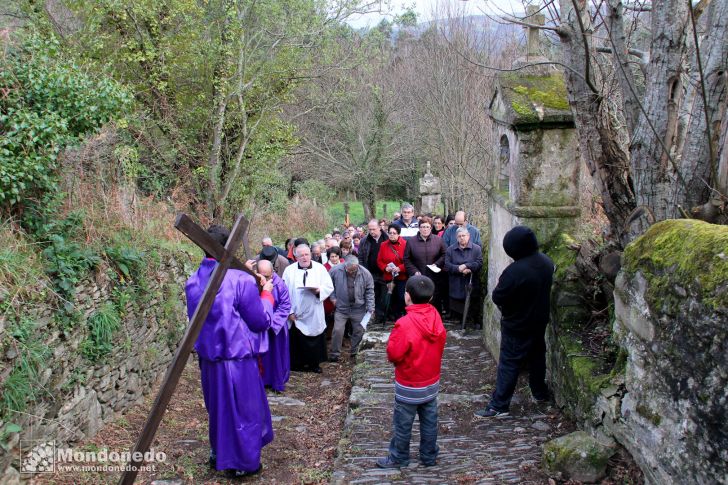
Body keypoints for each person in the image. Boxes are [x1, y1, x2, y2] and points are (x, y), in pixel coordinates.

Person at [186, 225, 276, 478]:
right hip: (237, 359)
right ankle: (244, 463)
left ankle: (219, 454)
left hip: (209, 360)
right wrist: (267, 297)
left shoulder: (193, 281)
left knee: (219, 409)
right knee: (245, 411)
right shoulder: (240, 279)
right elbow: (259, 321)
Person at [474, 226, 554, 418]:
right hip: (539, 319)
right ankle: (539, 392)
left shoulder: (515, 271)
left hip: (517, 323)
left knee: (509, 363)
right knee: (537, 357)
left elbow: (498, 296)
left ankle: (499, 405)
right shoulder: (546, 262)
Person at [376, 275, 447, 469]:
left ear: (407, 296)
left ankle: (399, 456)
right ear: (431, 297)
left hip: (409, 382)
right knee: (430, 421)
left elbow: (394, 353)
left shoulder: (405, 324)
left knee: (403, 424)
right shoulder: (435, 316)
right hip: (431, 381)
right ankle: (429, 455)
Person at [282, 244, 334, 373]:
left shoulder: (320, 269)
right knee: (297, 339)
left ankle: (314, 364)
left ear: (310, 255)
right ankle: (298, 364)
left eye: (306, 254)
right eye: (301, 255)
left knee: (314, 337)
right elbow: (284, 292)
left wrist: (318, 291)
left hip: (314, 310)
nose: (304, 258)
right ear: (296, 256)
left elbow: (328, 286)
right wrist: (289, 312)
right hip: (296, 312)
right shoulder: (289, 271)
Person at [254, 259, 292, 392]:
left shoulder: (280, 284)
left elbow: (285, 305)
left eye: (268, 276)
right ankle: (261, 382)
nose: (265, 279)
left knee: (277, 356)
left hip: (276, 328)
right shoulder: (253, 282)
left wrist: (271, 322)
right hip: (260, 325)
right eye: (262, 275)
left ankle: (277, 382)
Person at [328, 256, 375, 362]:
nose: (351, 272)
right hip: (341, 307)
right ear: (345, 265)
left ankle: (355, 352)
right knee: (337, 330)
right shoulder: (335, 270)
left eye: (353, 270)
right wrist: (333, 297)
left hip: (358, 307)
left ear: (357, 266)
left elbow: (370, 290)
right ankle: (335, 354)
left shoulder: (365, 273)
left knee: (359, 330)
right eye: (349, 270)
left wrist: (371, 306)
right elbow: (328, 285)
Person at [402, 217, 446, 312]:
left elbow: (444, 254)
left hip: (434, 276)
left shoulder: (438, 240)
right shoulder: (411, 241)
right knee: (418, 301)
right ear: (419, 228)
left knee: (434, 301)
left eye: (427, 227)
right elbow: (406, 259)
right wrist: (414, 271)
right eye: (422, 227)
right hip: (418, 277)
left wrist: (437, 264)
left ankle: (434, 321)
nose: (425, 229)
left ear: (431, 228)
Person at [444, 227, 483, 327]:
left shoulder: (476, 249)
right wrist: (458, 269)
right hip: (456, 281)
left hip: (471, 280)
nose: (462, 238)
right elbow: (447, 265)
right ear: (456, 237)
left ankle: (473, 321)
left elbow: (479, 263)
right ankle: (460, 321)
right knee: (458, 302)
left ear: (468, 236)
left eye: (464, 236)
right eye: (459, 236)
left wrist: (467, 266)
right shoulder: (450, 249)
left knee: (473, 301)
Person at [358, 219, 387, 324]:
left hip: (384, 273)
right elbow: (360, 257)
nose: (371, 232)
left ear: (380, 228)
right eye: (370, 229)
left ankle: (384, 315)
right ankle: (375, 316)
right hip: (370, 273)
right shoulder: (364, 241)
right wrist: (363, 271)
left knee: (384, 296)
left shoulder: (387, 238)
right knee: (372, 295)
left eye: (374, 229)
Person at [377, 224, 408, 321]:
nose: (392, 235)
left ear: (399, 234)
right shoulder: (383, 245)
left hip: (402, 276)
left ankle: (402, 314)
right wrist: (385, 267)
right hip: (389, 276)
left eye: (394, 233)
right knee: (392, 297)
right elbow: (379, 260)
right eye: (390, 233)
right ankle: (394, 316)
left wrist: (400, 268)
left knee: (401, 297)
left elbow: (409, 261)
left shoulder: (405, 244)